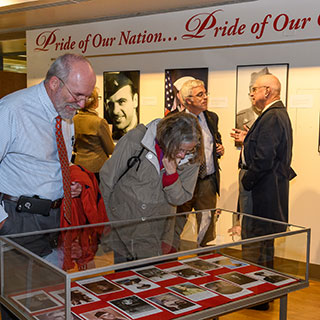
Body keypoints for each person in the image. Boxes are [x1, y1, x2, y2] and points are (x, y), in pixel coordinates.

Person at [0, 53, 96, 320]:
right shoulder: (11, 110)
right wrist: (2, 221)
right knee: (18, 302)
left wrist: (66, 186)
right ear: (54, 83)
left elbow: (49, 164)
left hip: (54, 221)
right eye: (77, 94)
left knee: (48, 301)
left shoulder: (64, 111)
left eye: (87, 96)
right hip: (18, 220)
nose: (82, 103)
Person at [99, 112, 203, 261]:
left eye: (188, 150)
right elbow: (108, 179)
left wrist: (171, 175)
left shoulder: (192, 157)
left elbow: (180, 198)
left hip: (158, 230)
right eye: (179, 149)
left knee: (153, 278)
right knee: (125, 278)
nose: (182, 155)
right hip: (123, 225)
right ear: (167, 138)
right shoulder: (137, 139)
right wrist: (108, 220)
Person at [239, 74, 296, 310]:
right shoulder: (276, 114)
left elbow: (263, 159)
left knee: (254, 243)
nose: (251, 94)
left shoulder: (272, 116)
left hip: (261, 191)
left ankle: (256, 297)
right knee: (264, 245)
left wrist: (247, 182)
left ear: (268, 91)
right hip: (268, 190)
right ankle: (263, 295)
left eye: (254, 89)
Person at [172, 79, 224, 248]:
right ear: (188, 100)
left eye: (205, 93)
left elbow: (214, 140)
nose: (205, 97)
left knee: (207, 229)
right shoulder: (175, 121)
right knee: (175, 225)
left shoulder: (211, 117)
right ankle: (169, 262)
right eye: (200, 95)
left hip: (207, 182)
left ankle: (206, 265)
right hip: (184, 181)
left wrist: (219, 149)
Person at [73, 87, 114, 182]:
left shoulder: (74, 120)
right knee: (96, 195)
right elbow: (110, 149)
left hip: (79, 165)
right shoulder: (99, 122)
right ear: (95, 102)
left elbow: (74, 145)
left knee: (85, 194)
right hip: (97, 167)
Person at [104, 73, 138, 140]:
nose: (115, 111)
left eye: (121, 101)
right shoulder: (111, 134)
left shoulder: (146, 135)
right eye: (110, 104)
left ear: (135, 100)